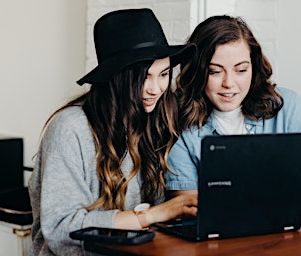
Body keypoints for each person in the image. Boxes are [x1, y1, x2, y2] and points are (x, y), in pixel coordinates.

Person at [28, 8, 197, 255]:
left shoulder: (153, 122)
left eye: (163, 74)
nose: (156, 89)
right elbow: (61, 228)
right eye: (144, 77)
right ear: (117, 77)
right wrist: (152, 215)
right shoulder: (70, 128)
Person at [166, 15, 301, 205]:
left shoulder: (286, 105)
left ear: (253, 66)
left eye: (241, 70)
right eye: (215, 72)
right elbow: (187, 204)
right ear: (197, 72)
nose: (229, 83)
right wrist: (277, 190)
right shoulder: (178, 121)